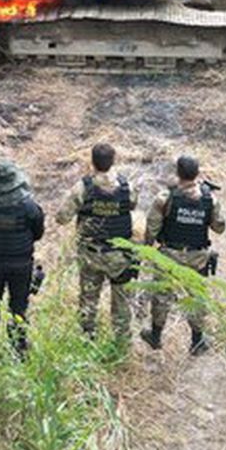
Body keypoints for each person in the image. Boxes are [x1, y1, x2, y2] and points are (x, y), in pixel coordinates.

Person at [142, 155, 226, 355]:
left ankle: (155, 336)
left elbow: (152, 228)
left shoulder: (166, 197)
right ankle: (197, 342)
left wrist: (147, 248)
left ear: (177, 173)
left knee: (162, 295)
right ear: (197, 173)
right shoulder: (209, 199)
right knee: (196, 297)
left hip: (169, 256)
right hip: (197, 257)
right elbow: (219, 228)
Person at [56, 143, 139, 342]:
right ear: (113, 161)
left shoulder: (83, 188)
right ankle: (121, 342)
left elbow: (61, 217)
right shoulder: (127, 187)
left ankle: (87, 339)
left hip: (91, 255)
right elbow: (133, 204)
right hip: (120, 256)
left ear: (92, 162)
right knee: (122, 302)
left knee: (88, 300)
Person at [0, 161, 46, 352]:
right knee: (18, 307)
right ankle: (18, 349)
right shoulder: (30, 208)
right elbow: (38, 234)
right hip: (21, 265)